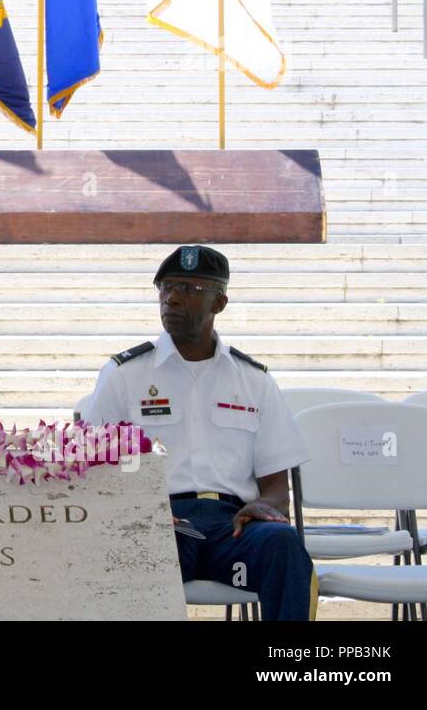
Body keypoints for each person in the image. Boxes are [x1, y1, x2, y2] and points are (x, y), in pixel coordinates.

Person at [85, 245, 315, 621]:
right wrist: (138, 509)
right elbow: (94, 467)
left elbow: (276, 486)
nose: (172, 299)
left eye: (190, 289)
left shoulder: (254, 380)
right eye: (166, 288)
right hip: (161, 521)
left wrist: (265, 507)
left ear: (219, 302)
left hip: (235, 526)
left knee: (283, 543)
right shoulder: (125, 374)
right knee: (137, 543)